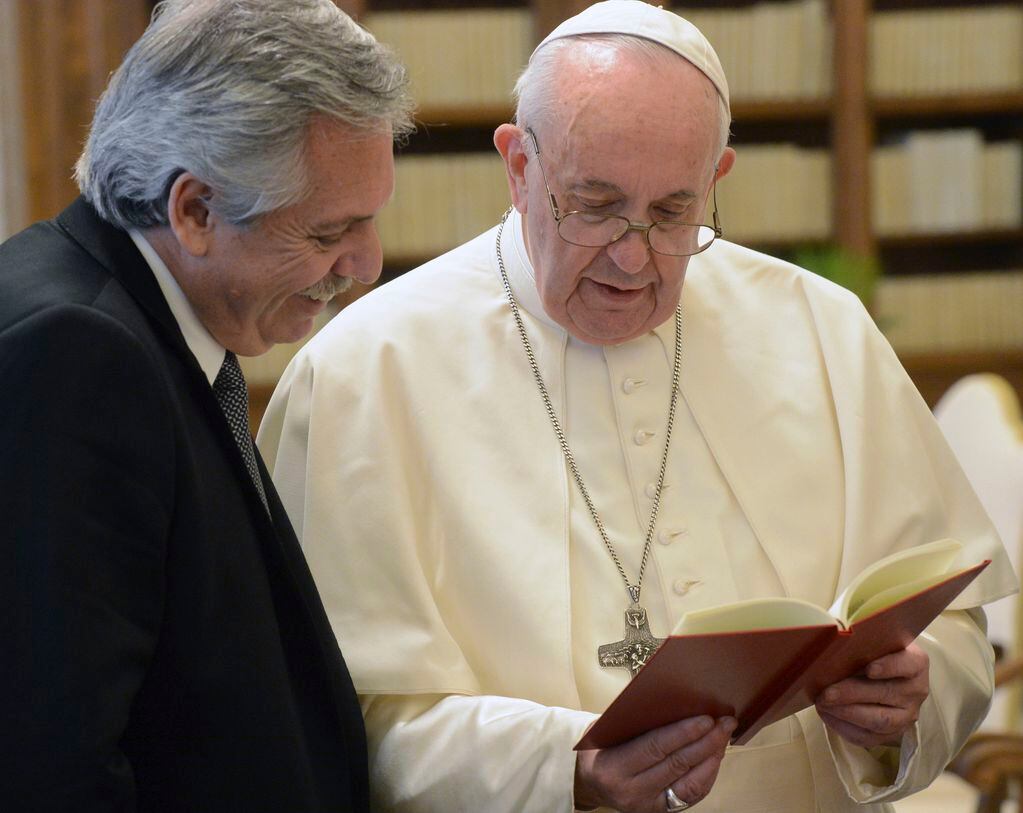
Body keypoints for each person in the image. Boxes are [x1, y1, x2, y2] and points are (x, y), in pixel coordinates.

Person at [257, 2, 1015, 811]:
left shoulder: (819, 327)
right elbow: (336, 722)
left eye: (670, 212)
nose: (632, 256)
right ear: (518, 167)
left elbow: (955, 627)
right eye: (593, 204)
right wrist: (564, 770)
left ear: (715, 179)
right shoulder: (364, 370)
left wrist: (908, 702)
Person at [0, 0, 413, 810]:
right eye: (331, 231)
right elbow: (53, 764)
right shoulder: (77, 355)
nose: (363, 264)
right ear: (193, 210)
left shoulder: (123, 316)